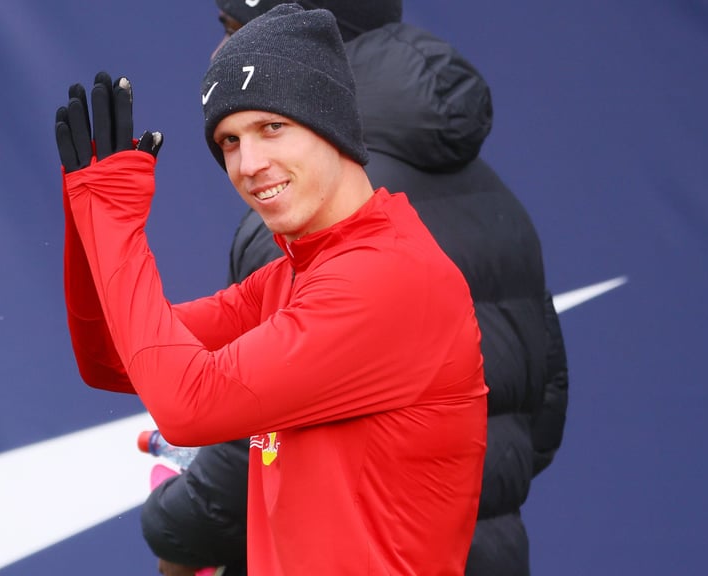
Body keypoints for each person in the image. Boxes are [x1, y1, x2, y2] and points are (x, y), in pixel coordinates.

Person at [55, 5, 488, 575]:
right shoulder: (295, 274)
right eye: (229, 141)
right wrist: (88, 215)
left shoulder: (389, 278)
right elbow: (111, 358)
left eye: (271, 127)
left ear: (329, 123)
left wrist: (113, 221)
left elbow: (188, 406)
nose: (250, 163)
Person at [140, 1, 570, 575]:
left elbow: (250, 438)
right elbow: (542, 412)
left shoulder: (306, 208)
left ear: (312, 42)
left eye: (237, 31)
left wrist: (172, 524)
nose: (223, 54)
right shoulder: (499, 200)